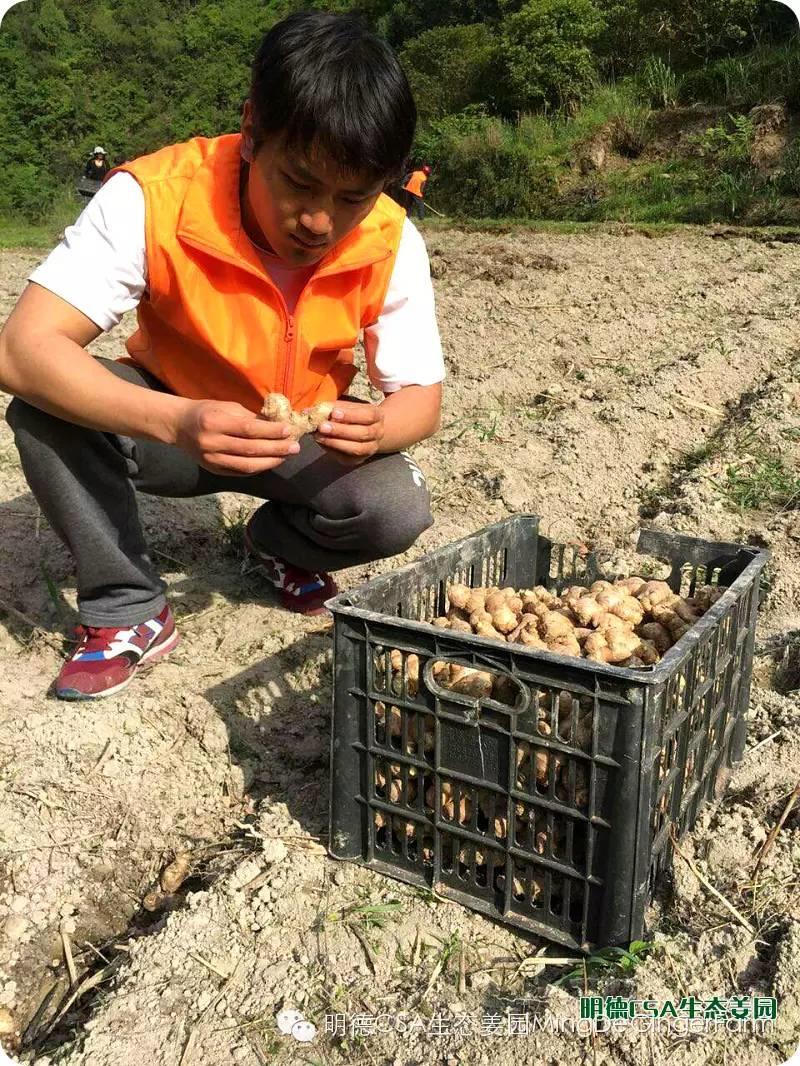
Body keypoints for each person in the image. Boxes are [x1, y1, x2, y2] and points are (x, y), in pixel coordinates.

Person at [0, 12, 444, 701]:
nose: (319, 221)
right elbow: (22, 348)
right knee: (44, 409)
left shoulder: (391, 241)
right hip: (172, 425)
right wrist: (175, 421)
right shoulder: (154, 198)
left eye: (352, 197)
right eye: (297, 182)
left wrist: (384, 427)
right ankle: (128, 608)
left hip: (298, 436)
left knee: (394, 509)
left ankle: (275, 545)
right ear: (251, 132)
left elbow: (420, 397)